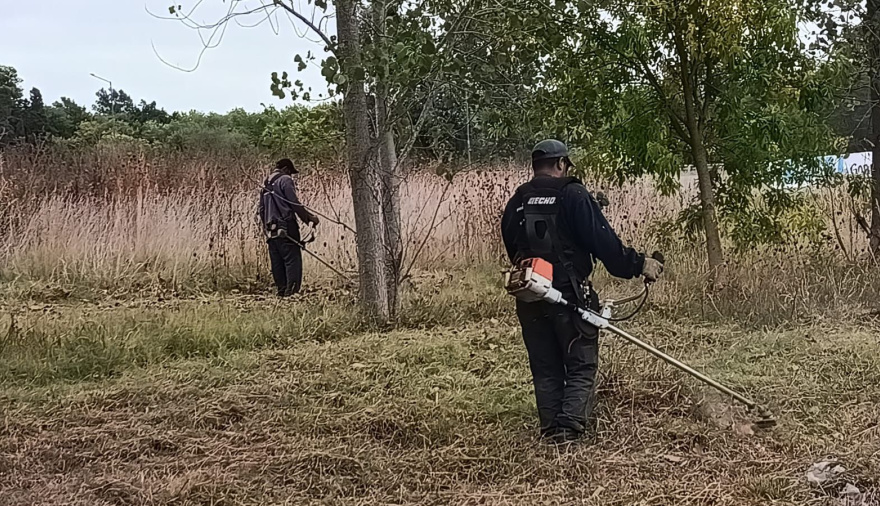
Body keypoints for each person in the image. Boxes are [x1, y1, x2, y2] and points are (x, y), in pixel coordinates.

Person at [500, 139, 664, 443]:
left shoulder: (518, 199)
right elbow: (606, 247)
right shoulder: (572, 194)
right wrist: (640, 264)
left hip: (530, 294)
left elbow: (513, 246)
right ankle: (568, 430)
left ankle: (551, 430)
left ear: (535, 167)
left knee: (545, 366)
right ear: (562, 164)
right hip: (570, 296)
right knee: (580, 364)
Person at [258, 158, 320, 297]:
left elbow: (261, 210)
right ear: (286, 169)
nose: (291, 175)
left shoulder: (265, 183)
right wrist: (309, 218)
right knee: (292, 259)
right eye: (290, 172)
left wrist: (266, 227)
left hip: (270, 228)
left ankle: (281, 293)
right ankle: (292, 294)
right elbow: (293, 202)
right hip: (286, 225)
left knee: (277, 260)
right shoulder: (285, 179)